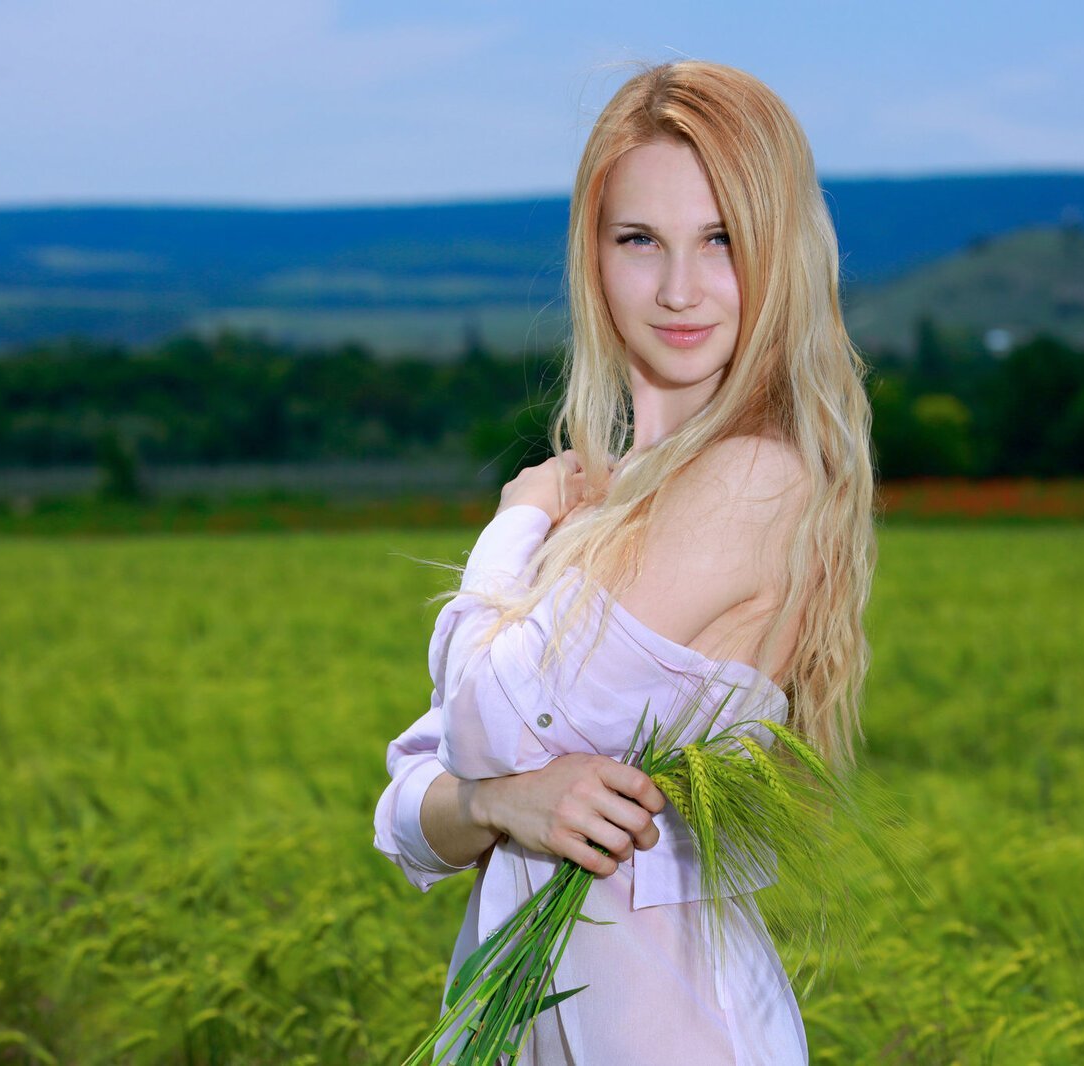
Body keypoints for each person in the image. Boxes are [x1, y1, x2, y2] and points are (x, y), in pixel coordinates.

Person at [373, 59, 875, 1065]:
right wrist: (496, 803)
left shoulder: (753, 477)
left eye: (721, 239)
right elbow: (406, 813)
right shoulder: (613, 502)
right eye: (639, 239)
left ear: (779, 251)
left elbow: (479, 712)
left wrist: (513, 522)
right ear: (592, 254)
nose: (679, 289)